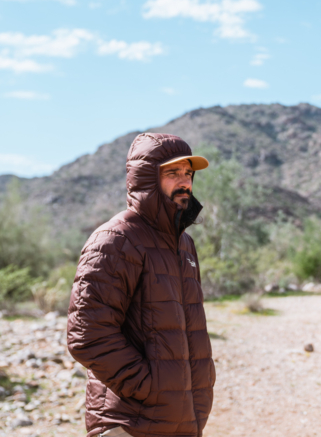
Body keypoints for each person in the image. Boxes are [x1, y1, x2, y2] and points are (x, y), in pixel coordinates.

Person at [67, 133, 215, 437]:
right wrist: (150, 387)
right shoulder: (116, 239)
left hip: (181, 418)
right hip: (128, 423)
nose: (184, 182)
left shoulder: (183, 243)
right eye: (172, 173)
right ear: (146, 177)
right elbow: (88, 334)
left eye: (188, 173)